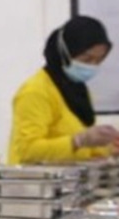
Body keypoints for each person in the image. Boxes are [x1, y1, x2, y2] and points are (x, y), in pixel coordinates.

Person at [9, 16, 118, 163]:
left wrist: (108, 147)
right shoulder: (35, 91)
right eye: (87, 59)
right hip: (33, 177)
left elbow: (84, 149)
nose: (92, 66)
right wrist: (78, 141)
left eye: (99, 60)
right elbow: (27, 150)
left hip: (69, 176)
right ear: (65, 54)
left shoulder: (79, 91)